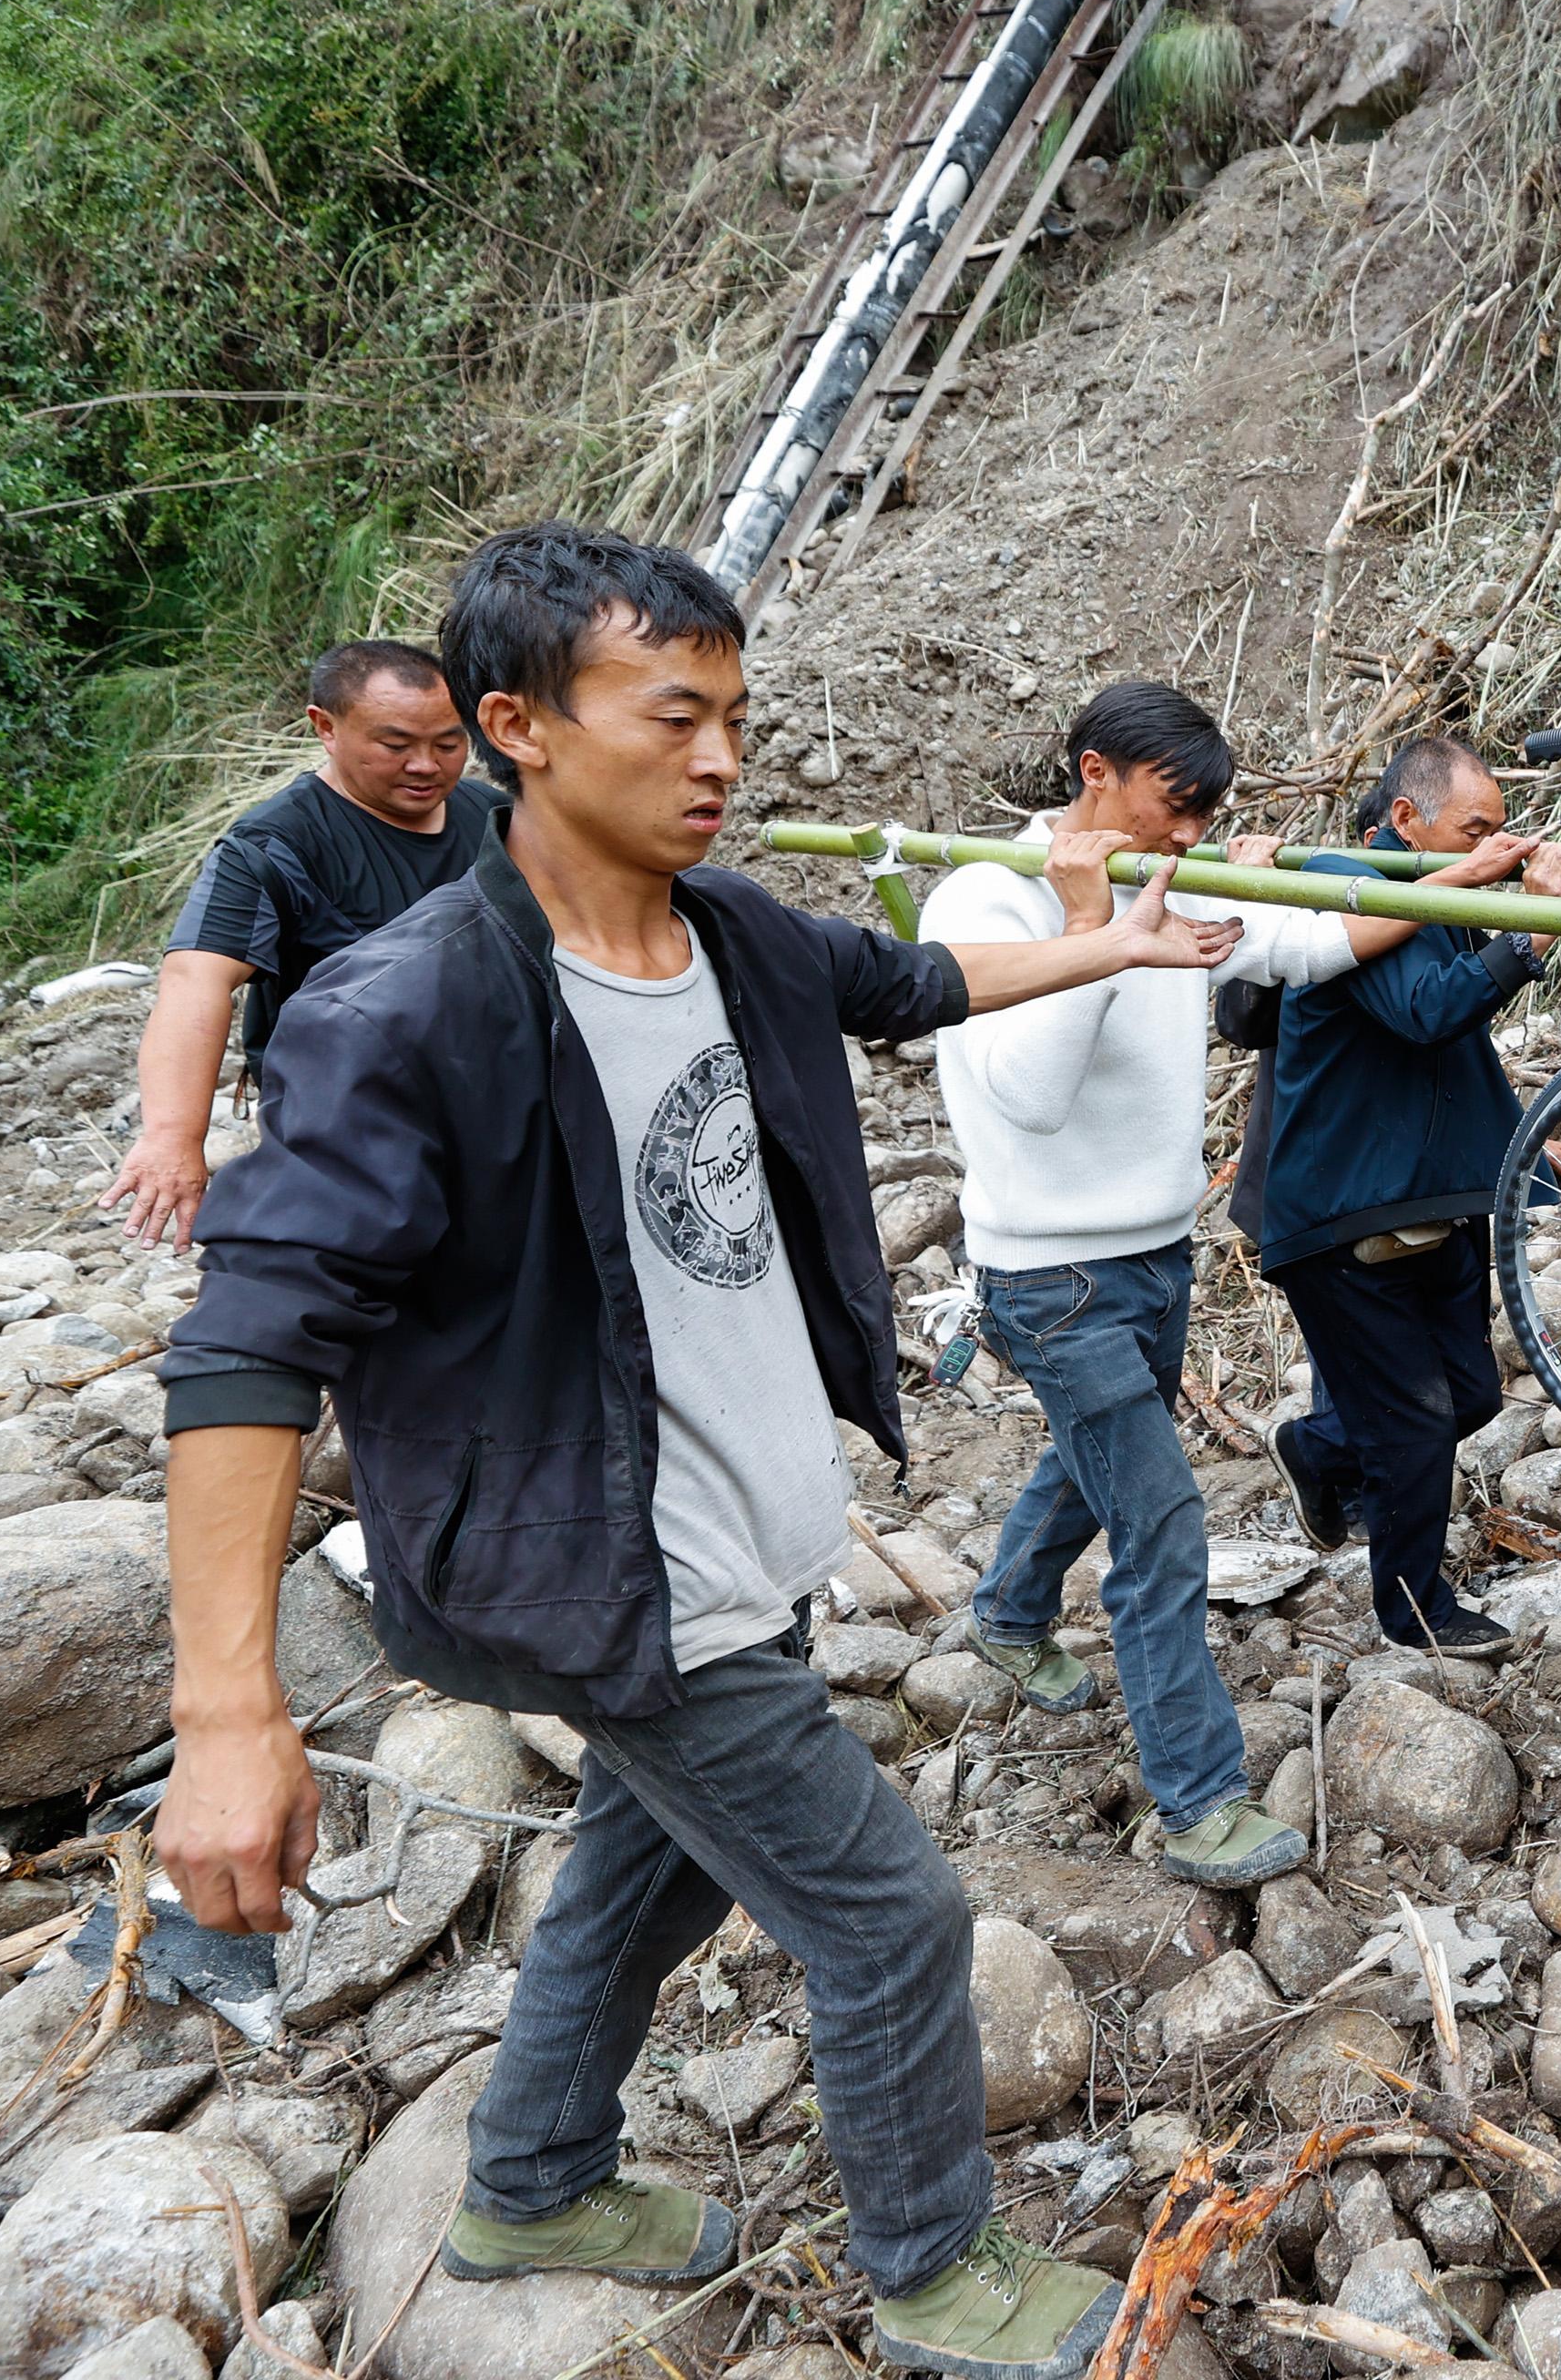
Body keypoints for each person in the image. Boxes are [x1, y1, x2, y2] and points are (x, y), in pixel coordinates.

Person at [151, 524, 1238, 2380]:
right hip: (595, 1566)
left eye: (737, 714)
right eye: (676, 714)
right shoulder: (408, 1004)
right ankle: (933, 2267)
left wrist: (1111, 941)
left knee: (642, 1868)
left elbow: (902, 986)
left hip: (735, 1541)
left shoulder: (727, 928)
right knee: (895, 1914)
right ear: (524, 725)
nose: (723, 755)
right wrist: (226, 1710)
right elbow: (247, 1343)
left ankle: (531, 2177)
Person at [923, 680, 1476, 1885]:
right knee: (1163, 1520)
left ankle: (1011, 1613)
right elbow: (1026, 1095)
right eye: (1179, 805)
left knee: (1097, 1457)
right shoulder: (980, 895)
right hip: (1049, 1276)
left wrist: (1477, 883)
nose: (1190, 833)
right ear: (1093, 773)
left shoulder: (1179, 873)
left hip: (1154, 1254)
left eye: (1208, 811)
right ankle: (1197, 1803)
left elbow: (1322, 936)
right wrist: (1092, 927)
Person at [1256, 737, 1561, 1650]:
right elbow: (1426, 1010)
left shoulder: (1430, 897)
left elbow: (1454, 1044)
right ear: (1406, 818)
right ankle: (1414, 1613)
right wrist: (1528, 933)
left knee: (1473, 1394)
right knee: (1415, 1422)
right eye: (1476, 829)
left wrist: (1526, 1138)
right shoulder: (1348, 882)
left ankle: (1320, 1447)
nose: (1494, 845)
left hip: (1427, 1198)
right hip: (1344, 1208)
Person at [103, 640, 506, 1247]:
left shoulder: (496, 818)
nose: (426, 765)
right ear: (325, 727)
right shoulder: (274, 847)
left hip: (502, 1109)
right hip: (354, 1133)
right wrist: (173, 1135)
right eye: (395, 746)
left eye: (449, 743)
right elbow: (194, 983)